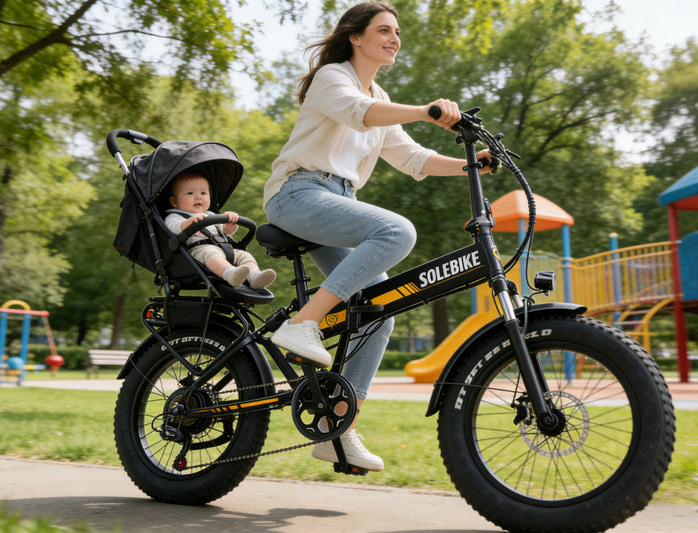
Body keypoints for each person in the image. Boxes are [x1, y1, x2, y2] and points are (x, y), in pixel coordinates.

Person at [265, 1, 494, 471]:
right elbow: (359, 114)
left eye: (397, 32)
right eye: (384, 30)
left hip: (337, 203)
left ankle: (337, 430)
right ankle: (301, 324)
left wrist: (471, 164)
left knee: (379, 312)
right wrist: (426, 111)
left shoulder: (378, 94)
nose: (394, 38)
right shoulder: (334, 78)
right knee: (396, 230)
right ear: (357, 36)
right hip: (298, 193)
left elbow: (414, 159)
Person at [166, 170, 276, 289]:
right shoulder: (175, 216)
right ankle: (230, 274)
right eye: (190, 193)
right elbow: (173, 226)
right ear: (174, 202)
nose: (198, 197)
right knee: (212, 255)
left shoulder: (210, 215)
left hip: (224, 248)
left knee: (244, 256)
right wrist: (187, 224)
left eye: (203, 193)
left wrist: (230, 224)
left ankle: (255, 276)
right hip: (199, 250)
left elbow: (225, 231)